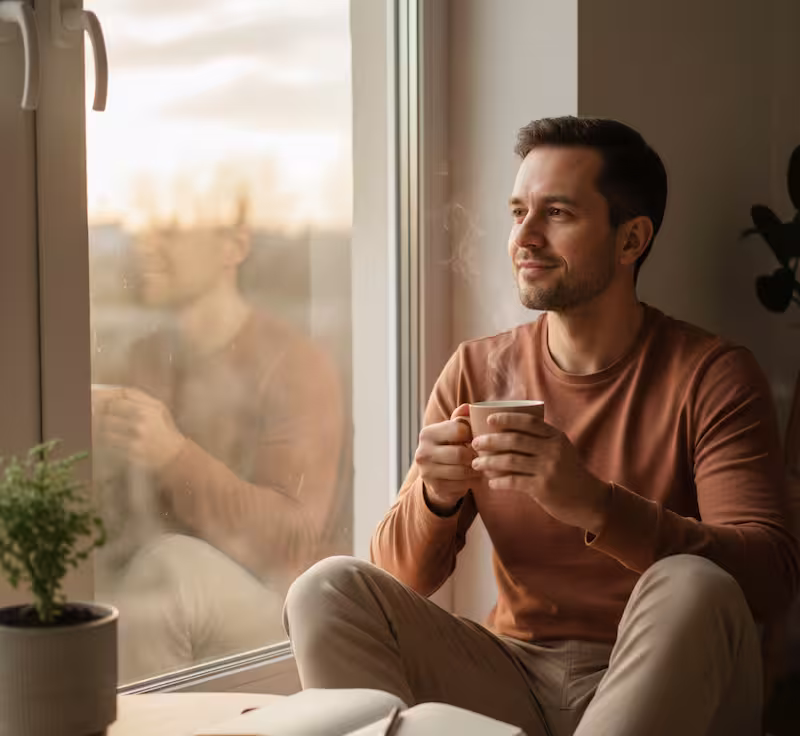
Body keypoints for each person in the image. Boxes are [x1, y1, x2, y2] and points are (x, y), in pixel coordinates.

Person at [283, 117, 800, 736]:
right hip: (514, 675)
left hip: (668, 676)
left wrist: (594, 505)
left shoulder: (712, 374)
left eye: (556, 213)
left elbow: (768, 579)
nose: (524, 236)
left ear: (631, 239)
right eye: (517, 212)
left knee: (692, 584)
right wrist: (436, 496)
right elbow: (401, 579)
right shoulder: (477, 369)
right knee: (327, 589)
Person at [92, 206, 345, 681]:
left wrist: (173, 457)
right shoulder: (145, 356)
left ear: (235, 246)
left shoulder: (294, 364)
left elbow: (294, 535)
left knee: (169, 574)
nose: (147, 241)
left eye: (169, 226)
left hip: (281, 607)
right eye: (146, 227)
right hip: (172, 591)